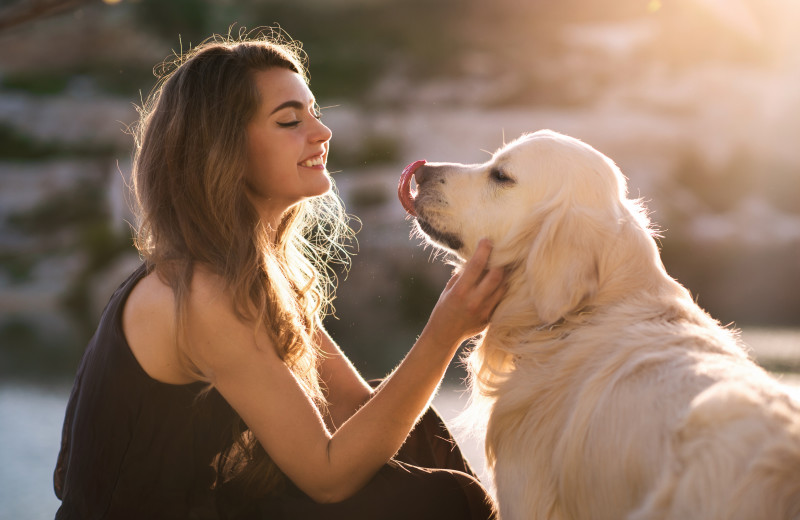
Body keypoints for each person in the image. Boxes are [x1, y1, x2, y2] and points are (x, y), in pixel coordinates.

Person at [53, 30, 505, 520]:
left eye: (314, 112)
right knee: (444, 501)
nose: (321, 132)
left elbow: (354, 407)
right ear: (222, 150)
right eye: (290, 120)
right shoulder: (200, 292)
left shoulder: (251, 273)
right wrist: (445, 331)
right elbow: (328, 478)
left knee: (420, 432)